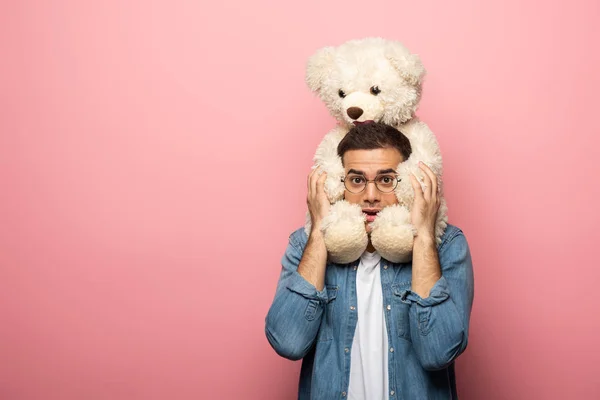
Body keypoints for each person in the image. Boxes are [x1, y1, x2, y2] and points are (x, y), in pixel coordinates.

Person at [265, 122, 474, 400]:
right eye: (357, 180)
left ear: (410, 183)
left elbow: (439, 352)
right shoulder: (305, 244)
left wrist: (423, 235)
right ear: (337, 184)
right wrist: (319, 231)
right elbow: (288, 343)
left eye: (386, 180)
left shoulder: (445, 246)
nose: (371, 196)